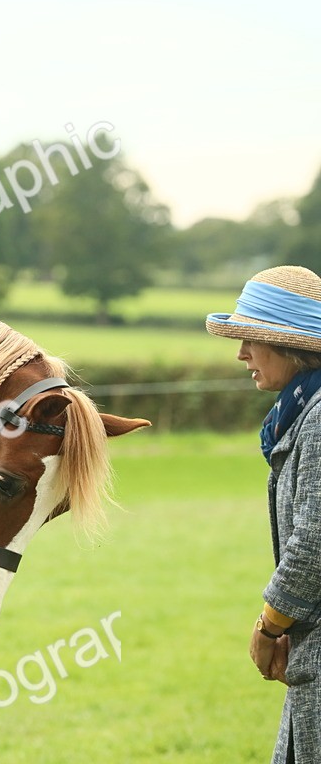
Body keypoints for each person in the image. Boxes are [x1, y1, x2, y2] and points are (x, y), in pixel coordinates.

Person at [207, 265, 321, 763]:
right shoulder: (303, 411)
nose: (241, 354)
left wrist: (270, 625)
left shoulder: (318, 418)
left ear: (291, 345)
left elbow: (313, 541)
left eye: (251, 338)